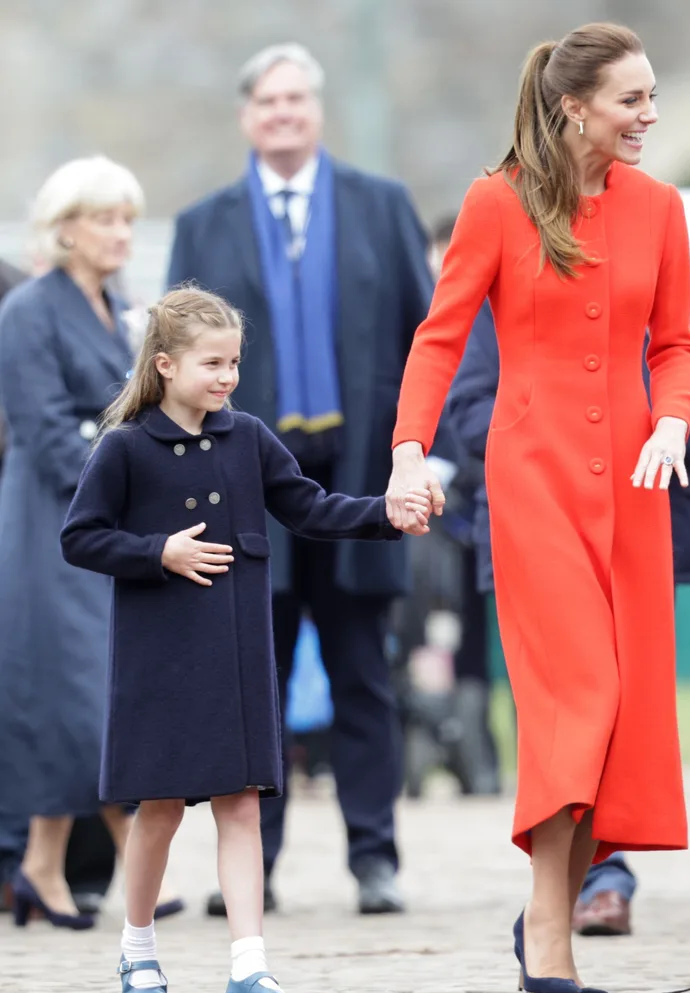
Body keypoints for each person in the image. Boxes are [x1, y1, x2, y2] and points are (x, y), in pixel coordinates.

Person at [386, 23, 690, 993]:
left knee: (616, 714)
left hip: (634, 487)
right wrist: (407, 449)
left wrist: (673, 422)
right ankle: (549, 926)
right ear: (573, 106)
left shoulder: (659, 206)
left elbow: (676, 342)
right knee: (578, 696)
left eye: (650, 97)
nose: (648, 116)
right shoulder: (495, 201)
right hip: (532, 482)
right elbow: (438, 340)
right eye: (630, 100)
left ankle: (546, 919)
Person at [60, 286, 430, 993]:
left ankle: (250, 967)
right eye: (212, 363)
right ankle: (137, 955)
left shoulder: (250, 436)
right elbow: (79, 536)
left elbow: (309, 506)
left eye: (233, 362)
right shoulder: (125, 447)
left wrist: (385, 512)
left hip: (237, 659)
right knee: (159, 809)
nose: (227, 377)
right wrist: (155, 552)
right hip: (157, 662)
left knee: (241, 805)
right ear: (165, 365)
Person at [167, 42, 434, 917]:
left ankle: (376, 860)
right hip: (247, 485)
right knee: (254, 681)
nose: (283, 113)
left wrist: (421, 458)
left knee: (364, 672)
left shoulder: (380, 205)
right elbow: (172, 372)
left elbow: (424, 340)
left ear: (316, 111)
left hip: (359, 481)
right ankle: (257, 868)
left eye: (297, 100)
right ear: (248, 115)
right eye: (268, 102)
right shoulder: (204, 224)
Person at [447, 262, 690, 938]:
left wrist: (664, 431)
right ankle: (583, 884)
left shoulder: (672, 266)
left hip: (641, 507)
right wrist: (553, 446)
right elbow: (469, 402)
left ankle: (601, 870)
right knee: (560, 700)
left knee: (625, 697)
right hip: (537, 515)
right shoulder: (510, 274)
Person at [0, 156, 181, 930]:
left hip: (108, 522)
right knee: (72, 692)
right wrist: (125, 483)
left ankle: (41, 867)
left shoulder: (122, 308)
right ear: (65, 227)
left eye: (127, 220)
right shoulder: (29, 311)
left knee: (92, 690)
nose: (120, 235)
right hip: (53, 522)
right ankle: (78, 854)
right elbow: (44, 434)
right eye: (106, 219)